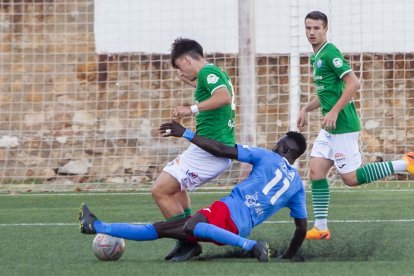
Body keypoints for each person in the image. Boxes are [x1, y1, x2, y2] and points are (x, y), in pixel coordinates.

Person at [79, 120, 308, 262]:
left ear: (284, 146)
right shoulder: (297, 186)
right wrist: (289, 255)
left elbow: (220, 149)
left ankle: (250, 246)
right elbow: (301, 228)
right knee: (163, 229)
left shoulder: (266, 156)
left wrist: (186, 133)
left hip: (228, 211)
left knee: (189, 224)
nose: (274, 145)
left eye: (278, 142)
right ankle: (97, 226)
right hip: (242, 225)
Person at [297, 10, 414, 240]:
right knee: (316, 171)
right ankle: (321, 228)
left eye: (316, 28)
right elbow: (326, 93)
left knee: (350, 178)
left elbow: (354, 83)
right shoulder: (316, 55)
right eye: (308, 28)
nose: (312, 32)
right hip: (329, 127)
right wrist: (305, 109)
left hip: (343, 125)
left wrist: (334, 111)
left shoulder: (330, 53)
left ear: (325, 29)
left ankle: (406, 163)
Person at [151, 38, 237, 260]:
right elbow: (213, 91)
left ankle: (187, 242)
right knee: (176, 188)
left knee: (160, 190)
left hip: (209, 151)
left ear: (188, 60)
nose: (181, 71)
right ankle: (188, 238)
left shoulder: (210, 73)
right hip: (208, 149)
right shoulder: (213, 74)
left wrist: (190, 109)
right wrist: (190, 83)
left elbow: (224, 97)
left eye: (180, 66)